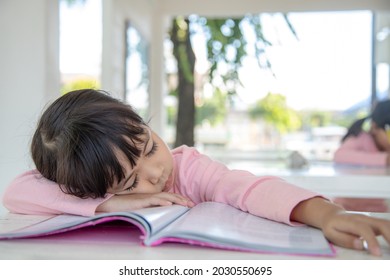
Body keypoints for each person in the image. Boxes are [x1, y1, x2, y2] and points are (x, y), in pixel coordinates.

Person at [2, 89, 390, 257]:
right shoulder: (92, 185)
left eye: (150, 147)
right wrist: (110, 203)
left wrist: (326, 214)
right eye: (129, 181)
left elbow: (246, 188)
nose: (154, 174)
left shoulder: (189, 166)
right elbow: (18, 191)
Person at [333, 99, 390, 212]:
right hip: (345, 208)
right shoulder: (362, 138)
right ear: (374, 127)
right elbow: (340, 155)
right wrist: (385, 159)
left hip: (376, 209)